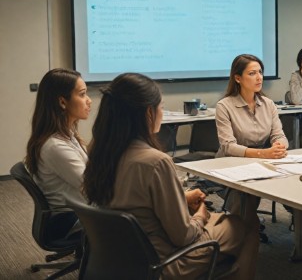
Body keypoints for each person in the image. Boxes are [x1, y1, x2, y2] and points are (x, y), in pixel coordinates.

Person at [83, 73, 259, 279]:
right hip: (165, 261)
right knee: (246, 225)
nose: (162, 112)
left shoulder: (99, 152)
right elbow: (183, 237)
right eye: (161, 106)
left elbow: (132, 202)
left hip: (122, 256)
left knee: (221, 220)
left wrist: (182, 199)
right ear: (149, 113)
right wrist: (201, 213)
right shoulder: (155, 161)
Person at [25, 68, 91, 235]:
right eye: (82, 94)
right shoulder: (55, 146)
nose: (89, 101)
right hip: (69, 221)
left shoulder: (65, 134)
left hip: (76, 211)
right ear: (62, 102)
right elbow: (93, 187)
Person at [215, 54, 289, 158]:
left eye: (260, 72)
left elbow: (279, 136)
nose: (259, 78)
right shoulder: (224, 106)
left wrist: (279, 147)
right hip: (231, 161)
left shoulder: (269, 104)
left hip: (261, 160)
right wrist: (262, 153)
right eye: (252, 73)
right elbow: (228, 146)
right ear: (237, 78)